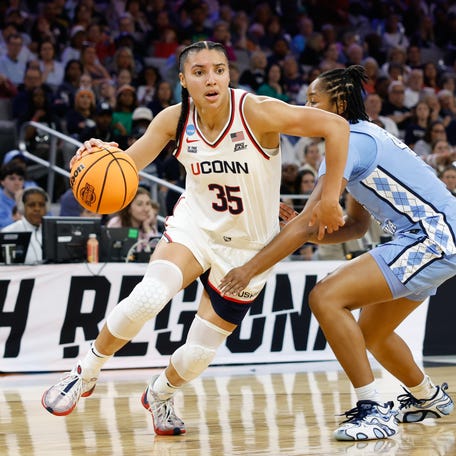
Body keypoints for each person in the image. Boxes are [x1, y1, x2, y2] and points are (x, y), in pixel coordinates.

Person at [41, 41, 349, 436]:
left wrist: (328, 197)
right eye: (200, 72)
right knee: (149, 295)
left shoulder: (256, 111)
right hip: (195, 227)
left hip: (248, 246)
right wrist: (98, 155)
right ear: (184, 81)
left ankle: (160, 394)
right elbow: (127, 165)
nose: (212, 78)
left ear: (228, 75)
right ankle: (84, 372)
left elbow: (336, 126)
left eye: (219, 70)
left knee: (198, 355)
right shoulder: (174, 118)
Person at [220, 65, 456, 442]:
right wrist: (299, 227)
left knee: (325, 297)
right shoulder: (358, 139)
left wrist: (248, 270)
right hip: (435, 238)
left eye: (314, 101)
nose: (306, 106)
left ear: (340, 103)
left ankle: (372, 410)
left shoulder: (350, 142)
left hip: (430, 238)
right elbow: (354, 227)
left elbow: (306, 228)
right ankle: (428, 397)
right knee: (372, 334)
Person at [1, 186, 49, 264]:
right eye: (32, 205)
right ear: (22, 208)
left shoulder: (52, 231)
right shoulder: (9, 232)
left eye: (41, 205)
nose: (37, 209)